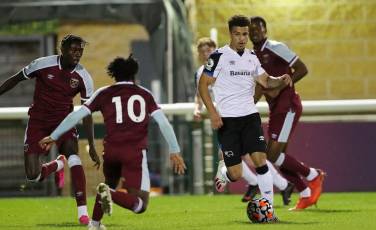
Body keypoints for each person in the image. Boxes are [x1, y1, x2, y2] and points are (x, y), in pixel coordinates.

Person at [39, 55, 186, 230]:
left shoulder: (103, 93)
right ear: (134, 74)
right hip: (134, 152)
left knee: (109, 181)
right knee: (140, 204)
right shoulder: (144, 94)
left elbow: (77, 115)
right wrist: (174, 150)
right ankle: (108, 195)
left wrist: (54, 135)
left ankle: (94, 224)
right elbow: (163, 123)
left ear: (114, 74)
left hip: (111, 151)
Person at [198, 14, 292, 220]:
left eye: (245, 34)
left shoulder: (251, 57)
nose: (242, 38)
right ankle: (224, 171)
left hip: (250, 117)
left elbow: (266, 81)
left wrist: (281, 80)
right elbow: (203, 85)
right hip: (228, 121)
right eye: (237, 34)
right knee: (236, 174)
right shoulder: (218, 57)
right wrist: (213, 113)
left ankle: (270, 211)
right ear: (230, 34)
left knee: (261, 161)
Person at [0, 34, 99, 224]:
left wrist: (92, 145)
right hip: (38, 121)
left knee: (73, 154)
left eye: (80, 50)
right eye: (73, 49)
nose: (78, 54)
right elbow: (15, 79)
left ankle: (83, 214)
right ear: (62, 50)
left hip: (64, 122)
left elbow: (87, 113)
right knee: (32, 175)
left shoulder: (84, 77)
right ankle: (57, 165)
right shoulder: (42, 64)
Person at [249, 16, 326, 211]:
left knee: (272, 154)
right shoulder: (252, 55)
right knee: (279, 156)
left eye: (258, 28)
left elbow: (302, 68)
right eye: (251, 30)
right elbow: (260, 85)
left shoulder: (275, 47)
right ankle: (306, 194)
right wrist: (248, 105)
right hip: (276, 108)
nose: (254, 32)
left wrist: (283, 85)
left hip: (288, 105)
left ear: (265, 30)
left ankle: (312, 176)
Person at [193, 37, 264, 203]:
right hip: (223, 118)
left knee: (254, 156)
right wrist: (198, 110)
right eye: (202, 51)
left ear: (214, 49)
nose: (205, 54)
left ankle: (267, 186)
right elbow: (199, 95)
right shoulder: (201, 72)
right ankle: (263, 184)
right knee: (235, 156)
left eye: (208, 50)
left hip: (241, 115)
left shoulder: (227, 62)